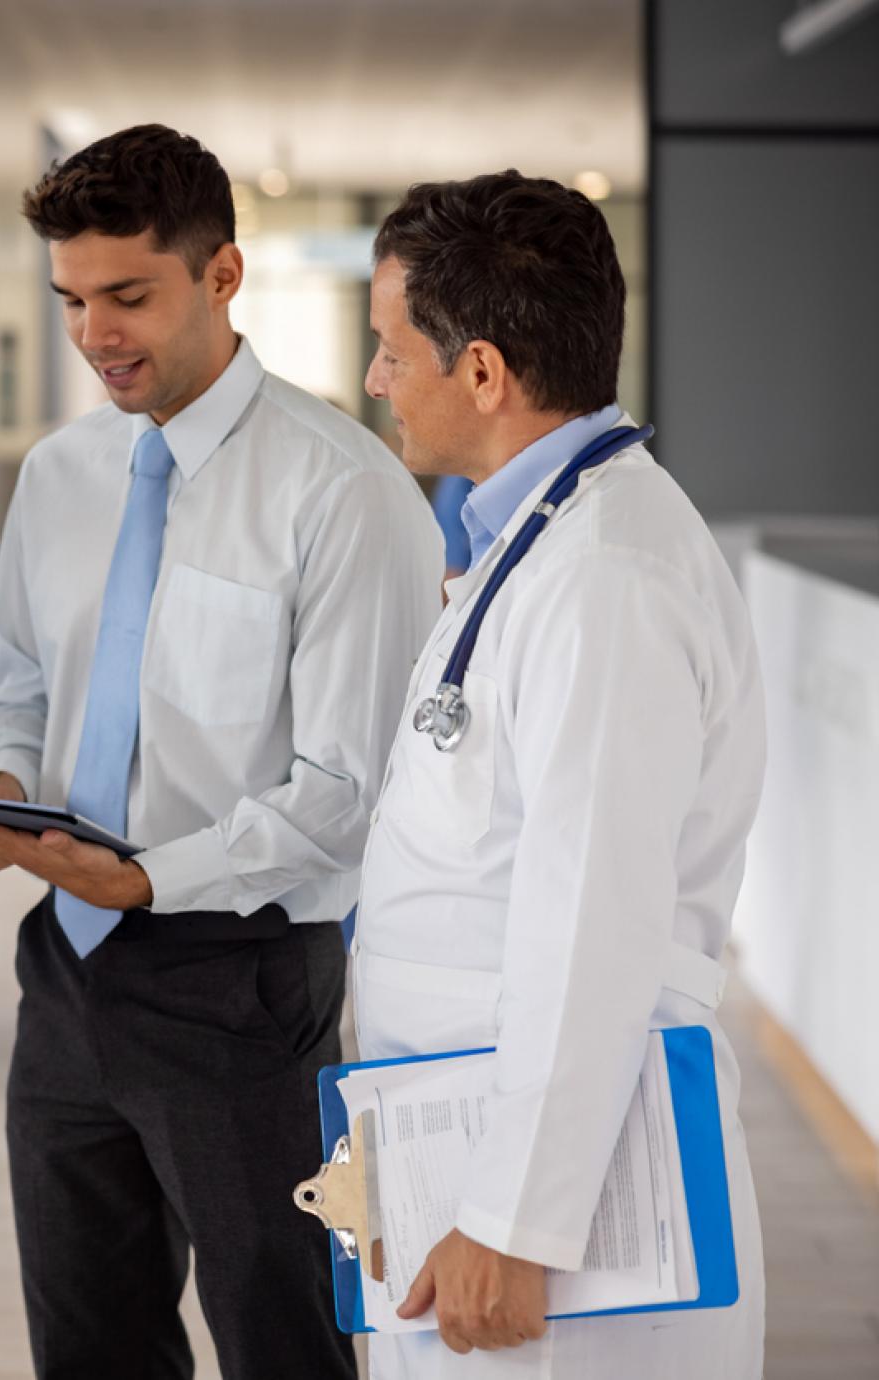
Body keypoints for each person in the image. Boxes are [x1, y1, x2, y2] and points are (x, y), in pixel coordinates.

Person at [0, 125, 442, 1380]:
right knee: (85, 1339)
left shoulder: (342, 491)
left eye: (127, 296)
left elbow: (345, 794)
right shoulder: (58, 476)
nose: (94, 334)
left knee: (284, 1342)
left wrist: (150, 879)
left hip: (239, 983)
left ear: (220, 278)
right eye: (70, 301)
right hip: (65, 968)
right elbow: (24, 689)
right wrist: (0, 783)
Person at [356, 171, 766, 1375]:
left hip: (561, 1202)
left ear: (480, 373)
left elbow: (594, 914)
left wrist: (514, 1215)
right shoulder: (546, 545)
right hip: (469, 1134)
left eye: (389, 351)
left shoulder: (604, 581)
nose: (376, 379)